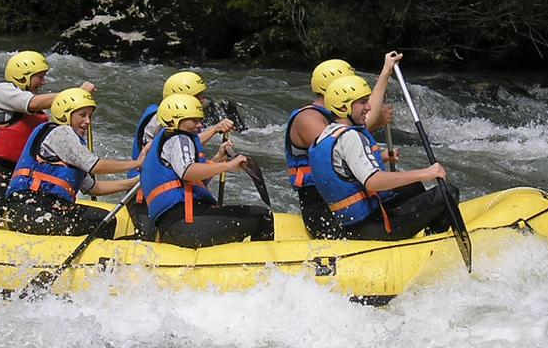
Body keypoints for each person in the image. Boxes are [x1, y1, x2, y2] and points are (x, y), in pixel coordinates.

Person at [308, 74, 460, 241]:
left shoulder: (325, 136)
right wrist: (426, 173)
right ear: (343, 108)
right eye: (362, 102)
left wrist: (383, 157)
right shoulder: (350, 137)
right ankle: (432, 245)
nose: (368, 107)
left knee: (412, 187)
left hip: (351, 225)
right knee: (448, 193)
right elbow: (373, 182)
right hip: (369, 229)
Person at [0, 51, 94, 224]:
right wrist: (75, 94)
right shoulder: (1, 91)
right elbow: (32, 103)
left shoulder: (38, 109)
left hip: (17, 174)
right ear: (22, 77)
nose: (43, 82)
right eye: (39, 77)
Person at [284, 53, 400, 237]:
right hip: (322, 206)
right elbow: (334, 146)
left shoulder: (333, 115)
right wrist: (375, 121)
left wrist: (386, 72)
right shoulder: (307, 118)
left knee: (412, 188)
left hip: (347, 195)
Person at [141, 93, 274, 248]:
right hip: (186, 226)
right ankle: (262, 268)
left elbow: (193, 181)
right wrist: (228, 166)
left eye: (200, 120)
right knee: (263, 217)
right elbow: (188, 171)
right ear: (174, 120)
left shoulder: (168, 138)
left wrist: (218, 158)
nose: (199, 125)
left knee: (236, 218)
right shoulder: (179, 139)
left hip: (174, 226)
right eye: (194, 120)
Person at [3, 87, 139, 236]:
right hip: (31, 209)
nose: (87, 121)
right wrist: (137, 163)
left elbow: (93, 188)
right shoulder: (61, 133)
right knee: (103, 221)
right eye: (82, 115)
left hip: (43, 208)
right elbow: (95, 166)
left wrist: (135, 182)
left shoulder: (67, 146)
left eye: (90, 116)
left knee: (103, 218)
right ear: (64, 115)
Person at [129, 70, 234, 232]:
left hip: (163, 191)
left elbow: (189, 145)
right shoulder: (162, 121)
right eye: (198, 96)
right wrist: (216, 129)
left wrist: (217, 154)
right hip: (142, 195)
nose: (202, 100)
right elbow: (177, 146)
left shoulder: (179, 120)